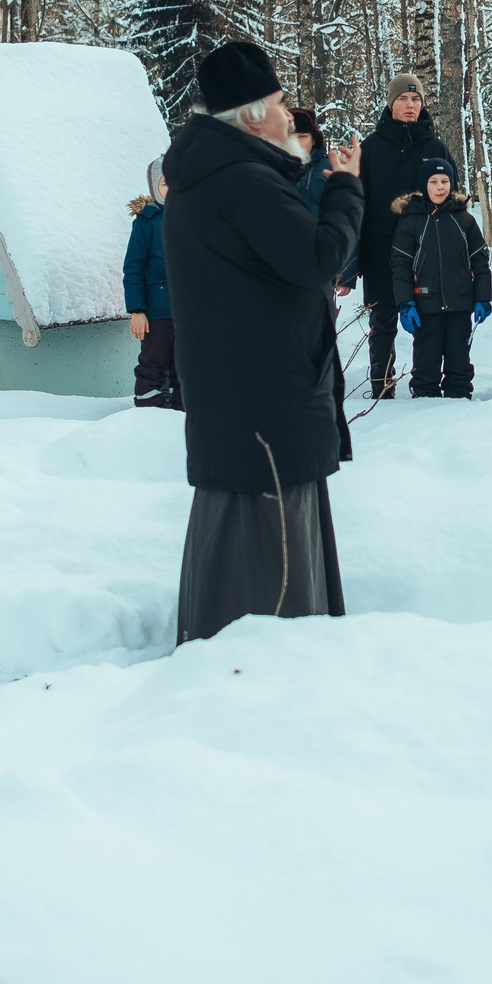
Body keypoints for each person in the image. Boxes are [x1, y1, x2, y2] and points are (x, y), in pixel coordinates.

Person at [163, 40, 365, 643]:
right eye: (280, 103)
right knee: (271, 540)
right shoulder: (245, 181)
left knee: (240, 528)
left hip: (242, 391)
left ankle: (227, 645)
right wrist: (347, 190)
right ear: (253, 114)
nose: (288, 114)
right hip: (266, 396)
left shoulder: (211, 177)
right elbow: (316, 258)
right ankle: (263, 664)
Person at [343, 75, 450, 398]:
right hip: (381, 250)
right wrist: (349, 266)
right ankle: (381, 386)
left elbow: (451, 203)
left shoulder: (436, 148)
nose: (410, 105)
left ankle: (425, 383)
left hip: (425, 251)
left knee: (427, 319)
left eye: (416, 100)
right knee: (383, 319)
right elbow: (355, 207)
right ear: (391, 103)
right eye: (403, 99)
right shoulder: (371, 148)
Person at [391, 154, 491, 399]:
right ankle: (424, 398)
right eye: (433, 182)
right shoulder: (411, 221)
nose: (439, 187)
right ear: (425, 185)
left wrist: (482, 297)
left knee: (459, 356)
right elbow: (400, 265)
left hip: (459, 304)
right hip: (425, 305)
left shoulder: (464, 220)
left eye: (444, 181)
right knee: (427, 356)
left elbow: (480, 259)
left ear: (451, 184)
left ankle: (459, 398)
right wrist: (405, 303)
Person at [124, 158, 180, 411]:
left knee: (186, 365)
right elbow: (133, 267)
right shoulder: (147, 221)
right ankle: (149, 413)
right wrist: (137, 311)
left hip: (189, 310)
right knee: (153, 361)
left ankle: (182, 413)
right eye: (166, 182)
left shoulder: (198, 219)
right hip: (156, 311)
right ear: (155, 185)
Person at [291, 106, 332, 216]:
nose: (297, 143)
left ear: (313, 140)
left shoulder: (328, 169)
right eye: (291, 137)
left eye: (302, 136)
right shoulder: (275, 169)